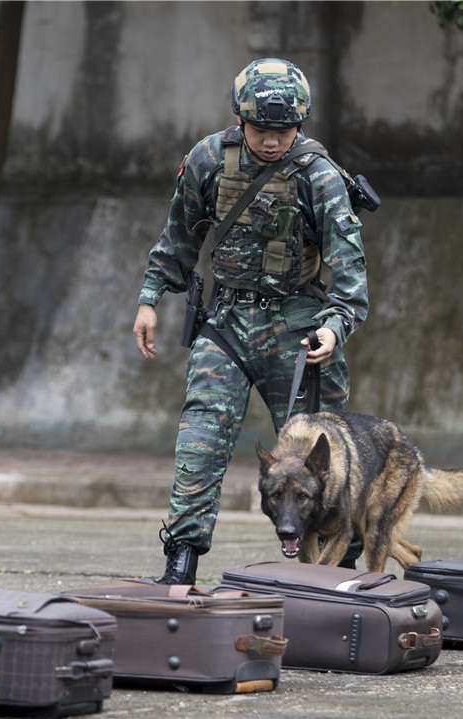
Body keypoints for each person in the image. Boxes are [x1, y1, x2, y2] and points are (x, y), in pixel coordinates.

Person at [133, 58, 369, 585]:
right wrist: (150, 297)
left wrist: (334, 326)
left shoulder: (318, 175)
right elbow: (179, 236)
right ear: (240, 119)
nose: (272, 141)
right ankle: (181, 563)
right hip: (228, 324)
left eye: (284, 130)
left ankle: (341, 571)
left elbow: (350, 270)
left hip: (298, 329)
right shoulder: (208, 160)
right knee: (200, 441)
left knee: (322, 460)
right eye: (261, 129)